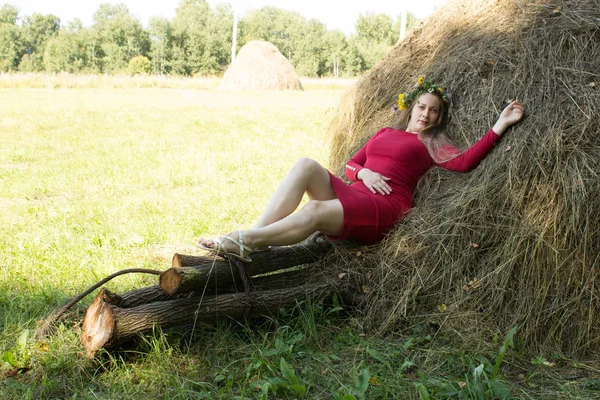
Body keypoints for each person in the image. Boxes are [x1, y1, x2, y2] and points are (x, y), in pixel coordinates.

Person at [198, 77, 524, 262]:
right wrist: (362, 173)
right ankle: (258, 238)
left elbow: (465, 162)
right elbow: (351, 164)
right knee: (306, 165)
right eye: (422, 107)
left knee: (314, 208)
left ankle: (241, 239)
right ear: (411, 108)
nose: (426, 114)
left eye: (434, 111)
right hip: (356, 192)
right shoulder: (385, 133)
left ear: (439, 118)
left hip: (385, 206)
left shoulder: (432, 142)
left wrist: (501, 124)